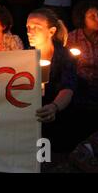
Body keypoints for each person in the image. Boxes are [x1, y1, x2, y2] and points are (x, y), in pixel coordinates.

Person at [27, 8, 79, 151]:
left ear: (51, 31)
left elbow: (68, 87)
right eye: (28, 27)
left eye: (36, 28)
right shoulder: (25, 55)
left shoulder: (64, 56)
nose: (30, 32)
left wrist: (54, 107)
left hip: (60, 110)